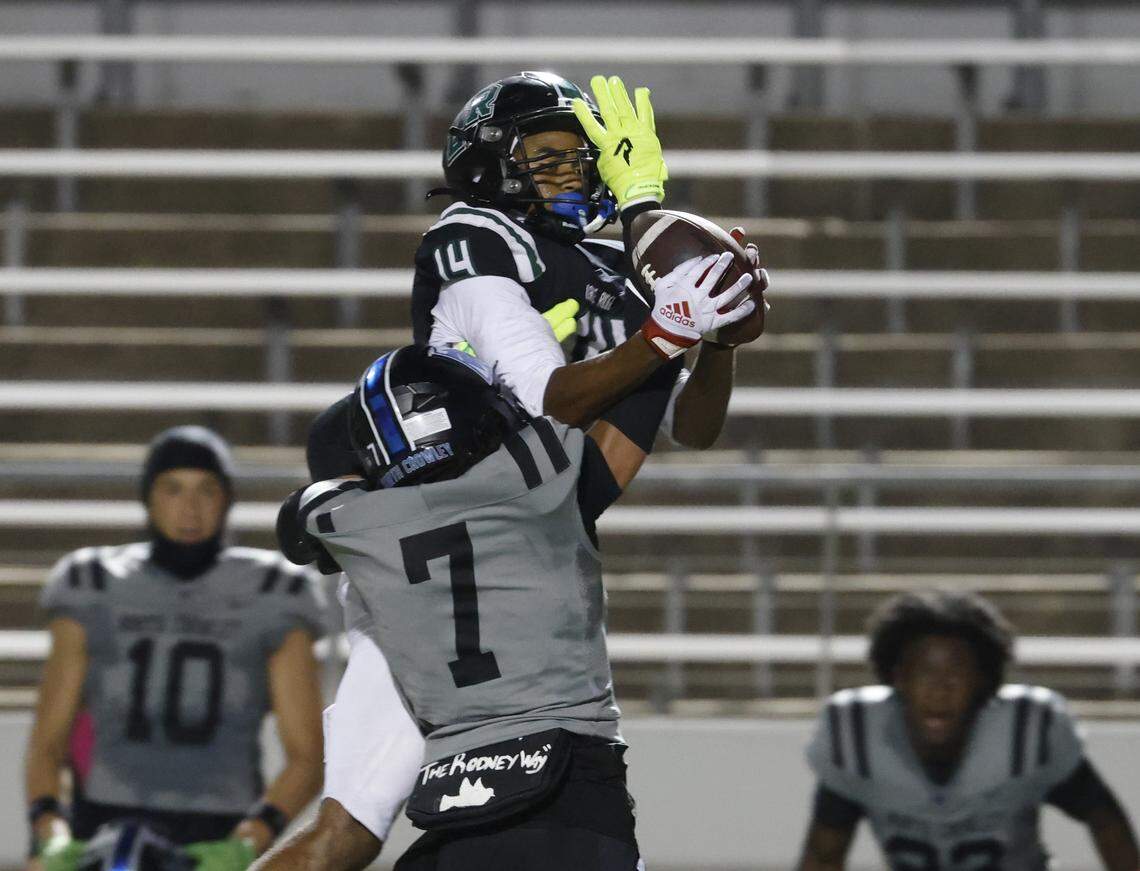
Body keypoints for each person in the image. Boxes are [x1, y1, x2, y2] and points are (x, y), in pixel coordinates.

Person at [264, 339, 758, 869]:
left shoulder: (349, 524)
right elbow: (619, 409)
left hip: (454, 806)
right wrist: (674, 332)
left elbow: (305, 518)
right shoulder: (543, 475)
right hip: (571, 796)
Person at [413, 70, 769, 466]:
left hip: (541, 500)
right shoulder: (476, 235)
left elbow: (691, 427)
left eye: (579, 159)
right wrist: (663, 334)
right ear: (487, 166)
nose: (570, 172)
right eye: (548, 158)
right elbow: (546, 406)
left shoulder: (603, 265)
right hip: (456, 483)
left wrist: (720, 336)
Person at [25, 426, 328, 869]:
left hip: (221, 826)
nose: (190, 507)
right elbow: (48, 740)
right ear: (149, 496)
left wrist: (250, 839)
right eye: (173, 489)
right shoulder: (91, 580)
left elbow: (307, 753)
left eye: (207, 490)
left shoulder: (274, 589)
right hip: (103, 823)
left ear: (227, 499)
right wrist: (50, 833)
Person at [795, 589, 1140, 871]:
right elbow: (824, 854)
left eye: (956, 675)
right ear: (897, 678)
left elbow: (1107, 823)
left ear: (983, 681)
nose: (939, 689)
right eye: (924, 673)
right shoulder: (856, 735)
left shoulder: (1027, 731)